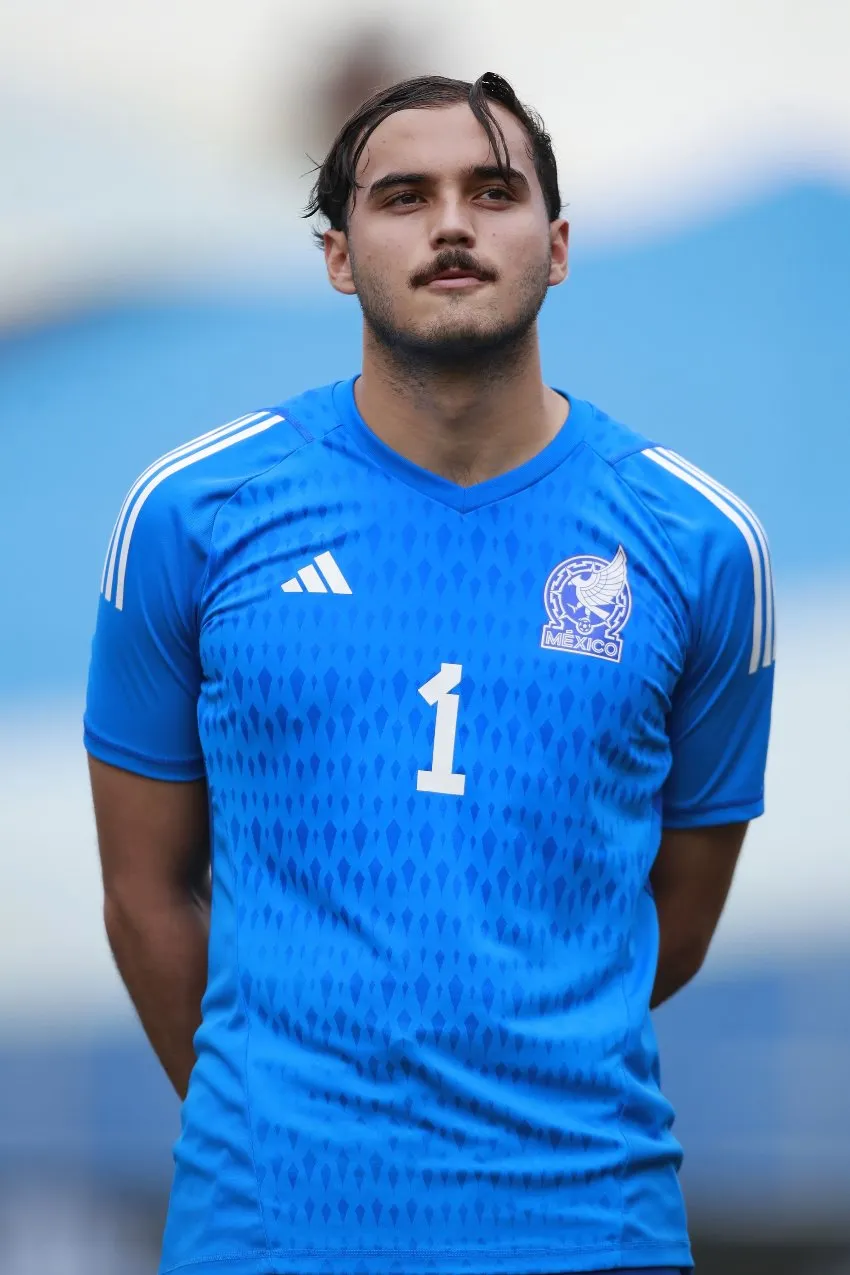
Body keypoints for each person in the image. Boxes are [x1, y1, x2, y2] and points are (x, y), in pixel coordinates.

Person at [84, 71, 775, 1275]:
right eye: (402, 196)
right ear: (339, 257)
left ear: (555, 248)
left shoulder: (699, 545)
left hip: (588, 1228)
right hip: (266, 1233)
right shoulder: (194, 514)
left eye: (492, 191)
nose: (451, 222)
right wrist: (282, 1132)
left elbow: (673, 914)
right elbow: (147, 892)